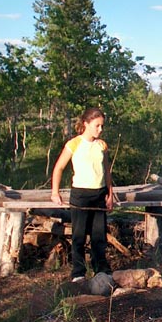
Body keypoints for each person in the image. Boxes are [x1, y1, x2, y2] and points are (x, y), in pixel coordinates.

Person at [51, 108, 114, 282]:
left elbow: (107, 171)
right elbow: (58, 168)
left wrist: (110, 194)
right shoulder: (74, 144)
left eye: (102, 126)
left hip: (99, 194)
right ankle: (78, 272)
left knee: (99, 236)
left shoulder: (102, 145)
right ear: (86, 124)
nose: (100, 129)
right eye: (97, 125)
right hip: (80, 195)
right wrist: (55, 192)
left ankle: (101, 269)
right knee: (79, 236)